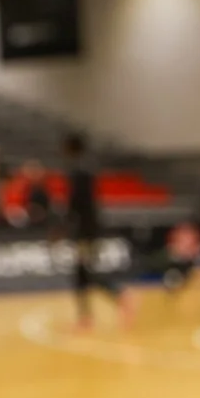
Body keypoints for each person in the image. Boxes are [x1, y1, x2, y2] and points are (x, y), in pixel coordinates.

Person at [64, 133, 133, 330]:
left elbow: (77, 205)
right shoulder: (87, 169)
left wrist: (69, 225)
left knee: (84, 272)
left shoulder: (78, 172)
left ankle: (116, 296)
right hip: (90, 229)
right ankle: (88, 314)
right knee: (84, 272)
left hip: (84, 231)